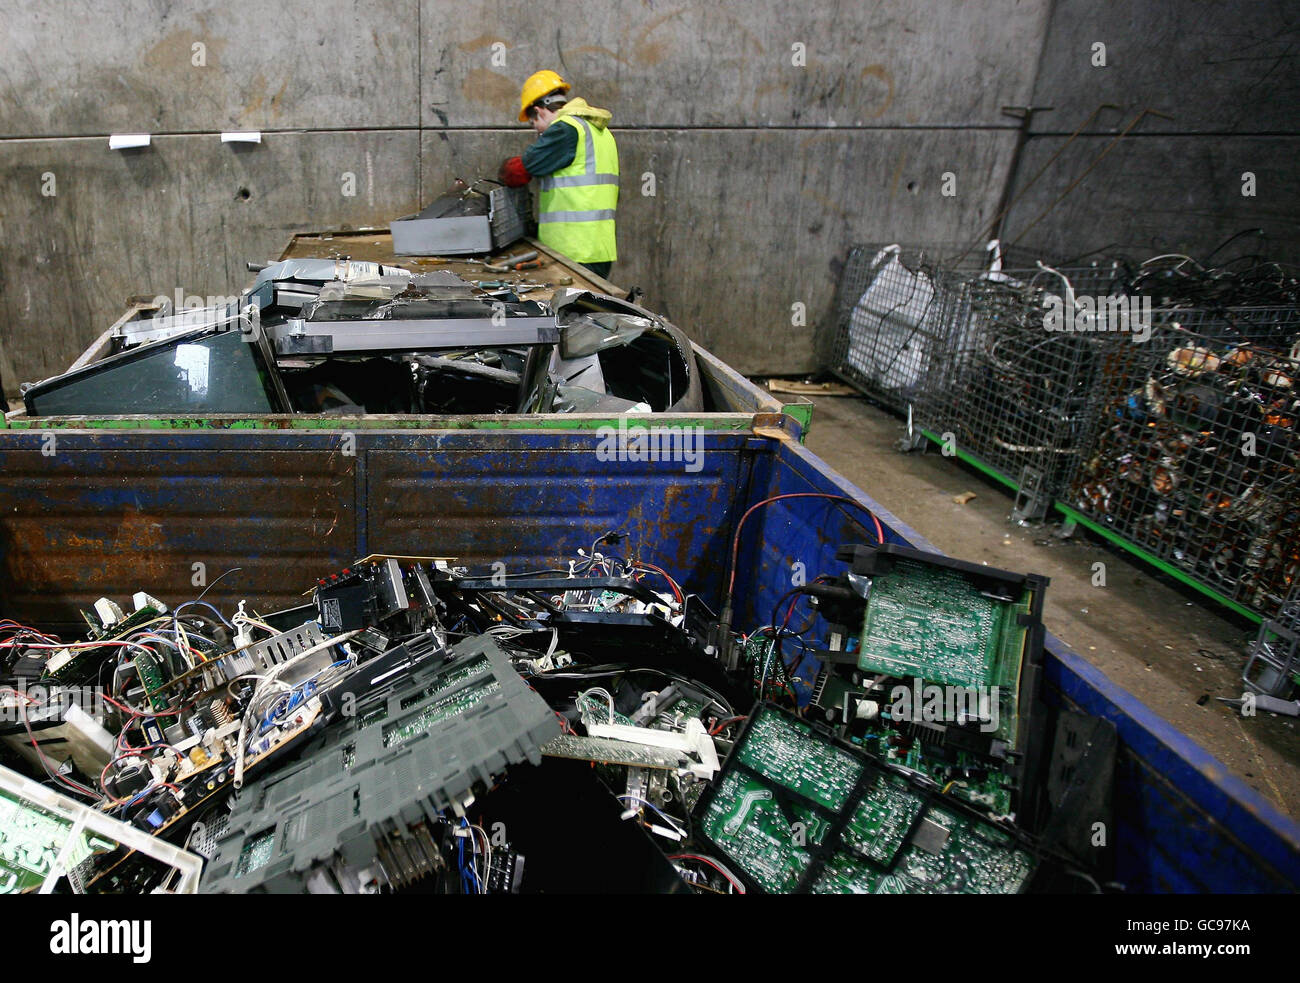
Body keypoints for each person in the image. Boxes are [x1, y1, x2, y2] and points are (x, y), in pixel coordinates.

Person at [498, 70, 619, 280]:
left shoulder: (565, 130)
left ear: (539, 111)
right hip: (597, 248)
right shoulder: (598, 131)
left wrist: (504, 170)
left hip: (575, 251)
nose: (536, 131)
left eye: (532, 122)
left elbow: (518, 172)